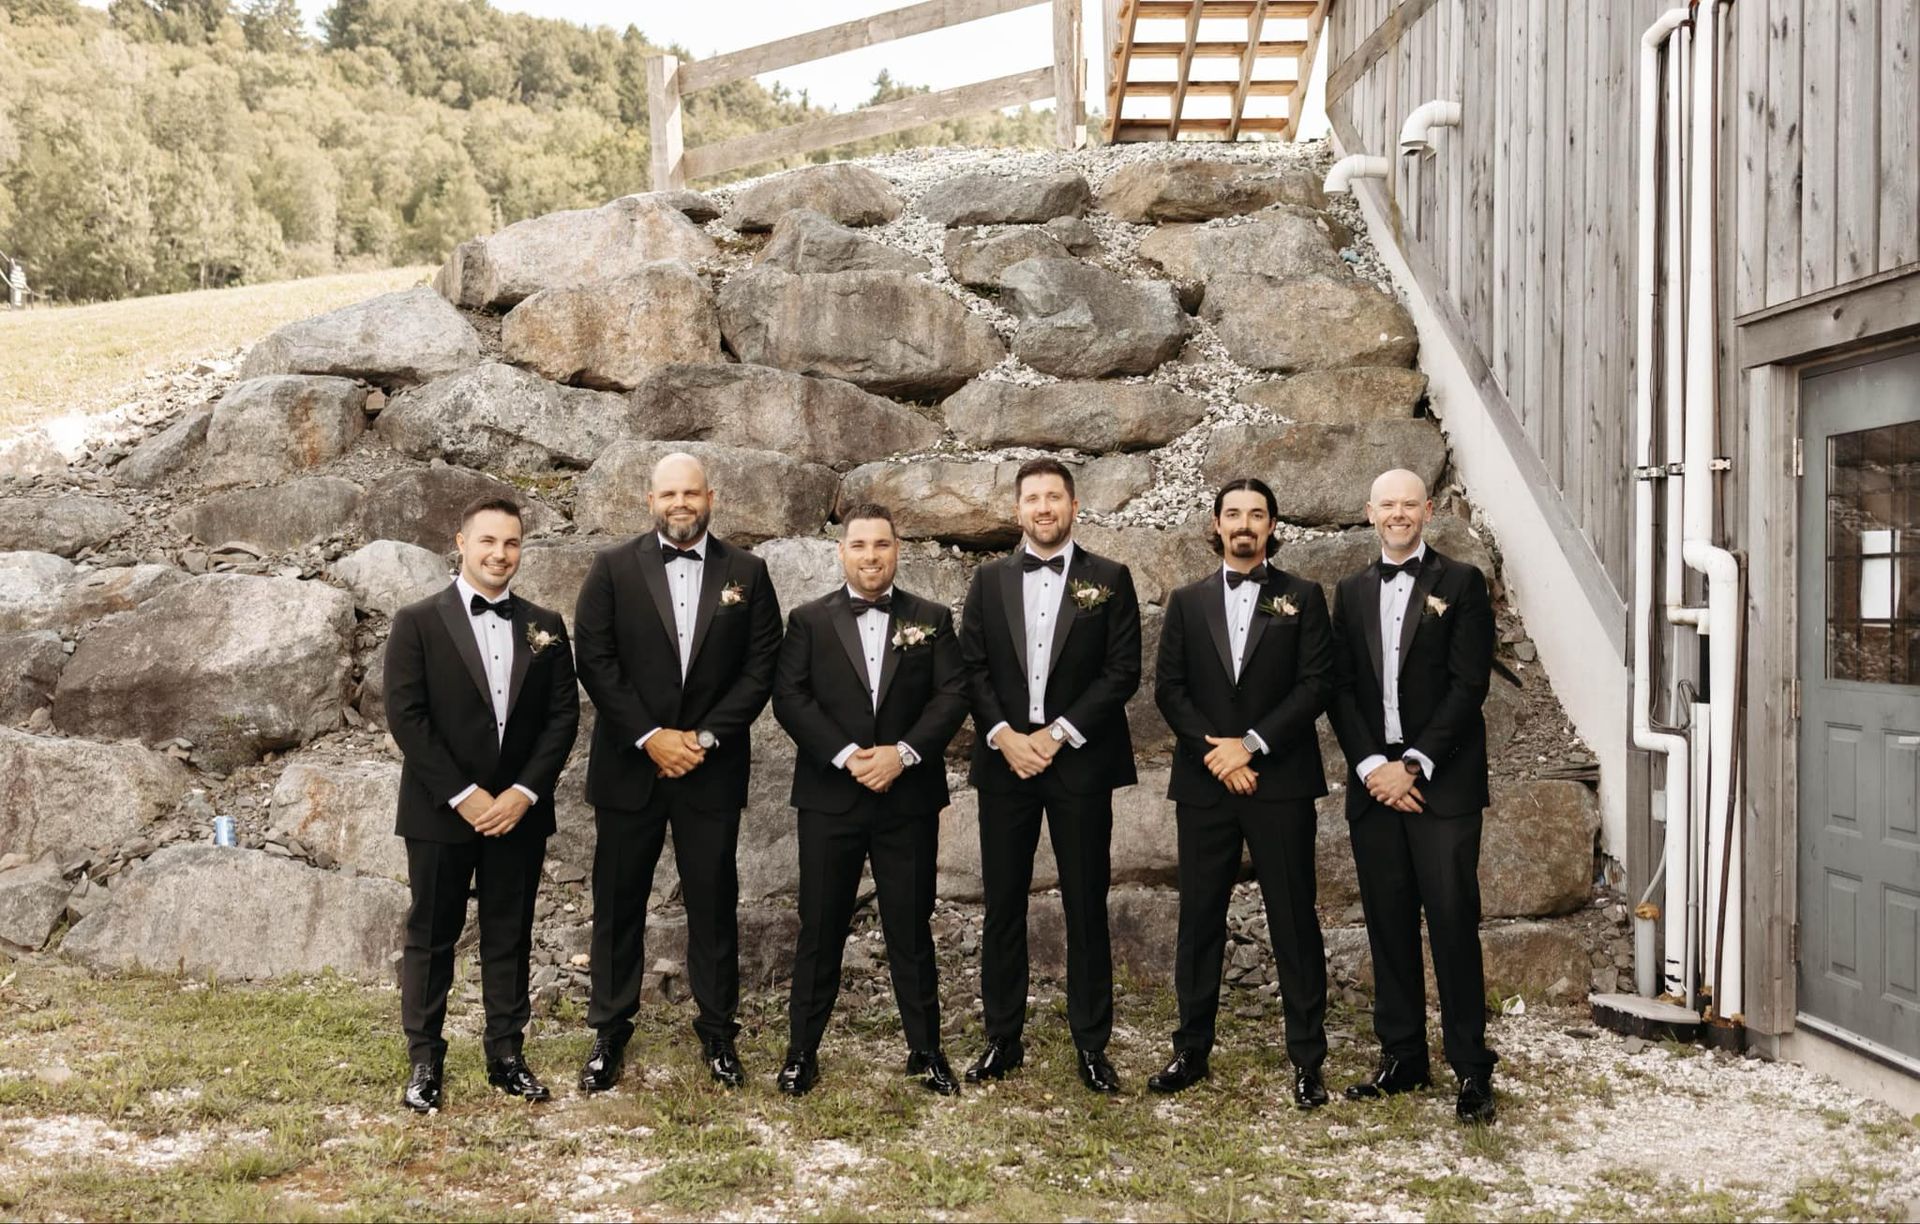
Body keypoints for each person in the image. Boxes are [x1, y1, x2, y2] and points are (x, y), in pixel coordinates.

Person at [571, 452, 782, 1091]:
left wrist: (704, 739)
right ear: (650, 499)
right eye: (669, 493)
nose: (681, 503)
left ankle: (718, 1034)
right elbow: (595, 659)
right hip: (629, 767)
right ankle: (609, 1033)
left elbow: (761, 666)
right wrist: (650, 737)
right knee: (617, 903)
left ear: (711, 496)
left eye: (692, 492)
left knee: (714, 905)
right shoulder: (612, 568)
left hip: (709, 769)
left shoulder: (747, 571)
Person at [385, 495, 580, 1113]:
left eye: (513, 543)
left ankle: (506, 1055)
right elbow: (407, 718)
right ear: (461, 542)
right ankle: (424, 1062)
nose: (501, 554)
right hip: (442, 811)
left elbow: (562, 719)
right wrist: (466, 797)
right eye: (489, 541)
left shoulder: (545, 621)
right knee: (432, 935)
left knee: (510, 933)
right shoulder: (416, 620)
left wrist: (522, 794)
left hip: (518, 814)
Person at [770, 504, 970, 1096]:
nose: (871, 556)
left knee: (910, 926)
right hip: (831, 798)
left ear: (897, 549)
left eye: (881, 544)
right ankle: (802, 1052)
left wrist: (902, 754)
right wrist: (848, 755)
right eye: (859, 545)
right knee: (820, 927)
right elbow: (791, 697)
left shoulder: (930, 618)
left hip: (906, 799)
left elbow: (952, 694)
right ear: (842, 552)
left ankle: (925, 1051)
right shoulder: (808, 620)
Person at [1148, 478, 1334, 1108]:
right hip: (1205, 786)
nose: (1244, 524)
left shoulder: (1303, 597)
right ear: (1216, 523)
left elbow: (1315, 686)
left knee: (1293, 919)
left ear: (1273, 524)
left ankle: (1308, 1059)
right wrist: (1217, 755)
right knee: (1199, 919)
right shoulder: (1186, 600)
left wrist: (1250, 745)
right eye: (1234, 514)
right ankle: (1190, 1049)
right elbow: (1169, 690)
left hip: (1279, 782)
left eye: (1256, 514)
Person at [958, 457, 1141, 1094]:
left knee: (1085, 903)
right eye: (1032, 498)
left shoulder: (1111, 579)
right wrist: (1006, 736)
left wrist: (1057, 735)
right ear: (1017, 510)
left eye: (1054, 498)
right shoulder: (987, 581)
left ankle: (1091, 1045)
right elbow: (971, 669)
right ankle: (1002, 1039)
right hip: (1006, 762)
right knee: (1003, 902)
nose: (1044, 508)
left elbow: (1121, 672)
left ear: (1073, 506)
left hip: (1079, 765)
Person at [1329, 468, 1499, 1124]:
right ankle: (1402, 1056)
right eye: (1387, 505)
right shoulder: (1350, 592)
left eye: (1410, 504)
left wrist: (1415, 766)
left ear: (1428, 511)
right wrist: (1375, 766)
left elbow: (1468, 686)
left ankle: (1470, 1067)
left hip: (1441, 786)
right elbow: (1340, 689)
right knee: (1388, 923)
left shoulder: (1460, 584)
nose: (1399, 514)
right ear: (1370, 513)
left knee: (1452, 923)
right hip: (1376, 785)